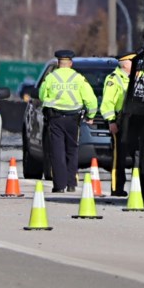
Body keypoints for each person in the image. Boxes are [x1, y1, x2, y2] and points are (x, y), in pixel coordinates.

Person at [38, 50, 98, 193]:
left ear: (59, 63)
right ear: (70, 63)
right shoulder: (79, 78)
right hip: (73, 119)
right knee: (72, 150)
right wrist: (91, 115)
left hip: (56, 118)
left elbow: (41, 95)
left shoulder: (51, 77)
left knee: (57, 152)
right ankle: (71, 183)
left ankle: (59, 186)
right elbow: (91, 100)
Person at [101, 52, 133, 197]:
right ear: (125, 63)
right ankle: (116, 187)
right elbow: (107, 103)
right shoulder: (114, 79)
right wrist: (111, 121)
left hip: (133, 121)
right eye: (132, 62)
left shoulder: (133, 79)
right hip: (120, 122)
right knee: (118, 157)